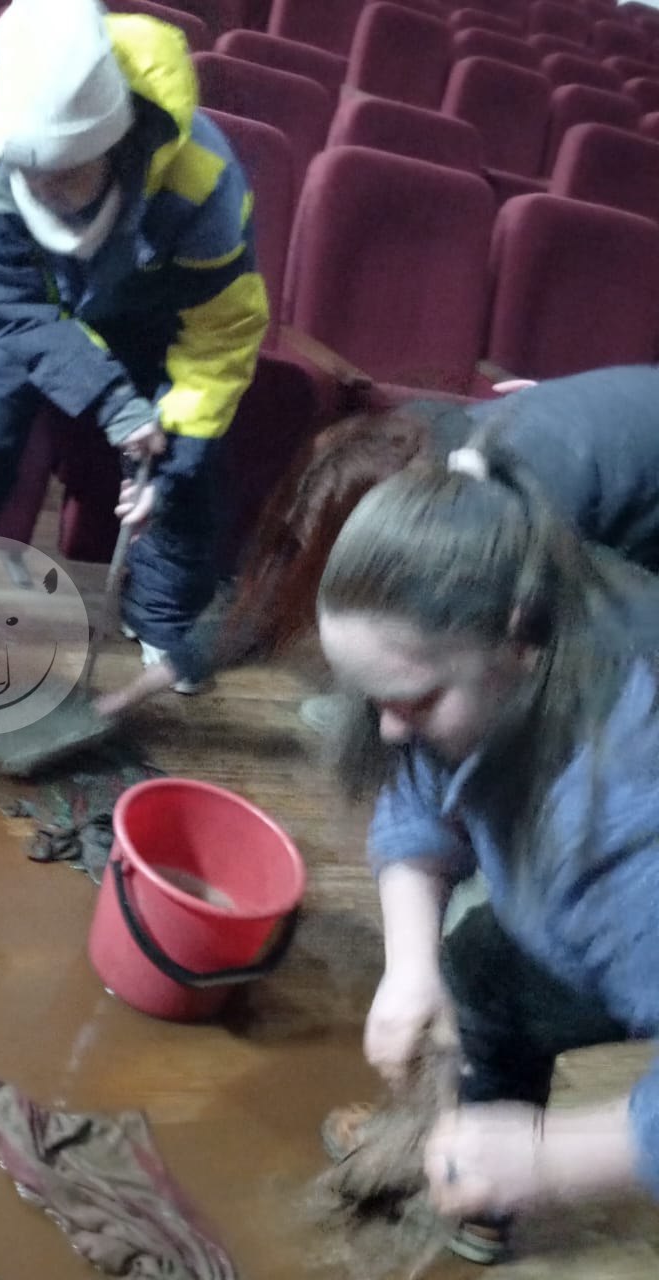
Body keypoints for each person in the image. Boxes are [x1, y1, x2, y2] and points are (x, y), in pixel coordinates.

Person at [0, 0, 269, 695]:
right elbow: (13, 301)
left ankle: (161, 616)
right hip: (32, 311)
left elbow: (222, 332)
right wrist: (111, 401)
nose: (49, 190)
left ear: (116, 145)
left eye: (70, 175)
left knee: (187, 474)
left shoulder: (203, 179)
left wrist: (168, 443)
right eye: (35, 178)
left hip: (154, 315)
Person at [313, 442, 659, 1264]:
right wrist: (407, 962)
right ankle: (472, 1164)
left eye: (413, 701)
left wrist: (556, 1156)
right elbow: (422, 785)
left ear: (516, 641)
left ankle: (500, 1162)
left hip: (618, 901)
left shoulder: (628, 843)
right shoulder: (489, 655)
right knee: (477, 972)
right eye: (375, 702)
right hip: (564, 908)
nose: (391, 727)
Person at [97, 365, 659, 717]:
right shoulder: (411, 438)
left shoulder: (508, 511)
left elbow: (586, 642)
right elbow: (282, 580)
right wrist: (152, 682)